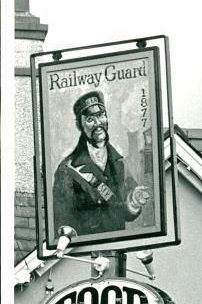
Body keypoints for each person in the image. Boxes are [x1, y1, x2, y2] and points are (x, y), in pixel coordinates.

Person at [52, 90, 150, 238]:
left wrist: (134, 201)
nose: (98, 123)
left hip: (116, 252)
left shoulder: (120, 163)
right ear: (80, 125)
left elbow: (126, 213)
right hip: (86, 256)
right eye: (90, 119)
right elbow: (63, 223)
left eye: (101, 116)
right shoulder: (67, 169)